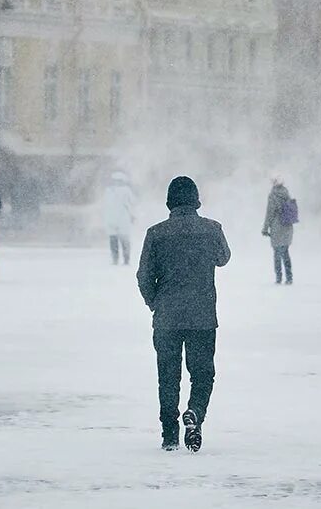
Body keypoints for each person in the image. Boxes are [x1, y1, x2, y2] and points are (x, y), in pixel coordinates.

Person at [137, 176, 231, 452]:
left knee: (168, 376)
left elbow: (144, 275)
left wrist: (154, 301)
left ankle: (169, 434)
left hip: (166, 316)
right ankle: (195, 413)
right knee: (202, 374)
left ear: (169, 202)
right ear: (196, 200)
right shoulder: (212, 229)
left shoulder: (156, 233)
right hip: (202, 316)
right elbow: (223, 258)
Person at [262, 175, 296, 285]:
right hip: (287, 226)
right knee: (285, 252)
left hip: (277, 227)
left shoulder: (273, 195)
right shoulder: (286, 193)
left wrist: (265, 228)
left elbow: (270, 213)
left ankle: (279, 277)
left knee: (277, 253)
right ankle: (289, 277)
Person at [102, 171, 136, 265]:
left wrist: (132, 215)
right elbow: (106, 206)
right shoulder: (109, 191)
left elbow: (131, 204)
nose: (117, 183)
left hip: (121, 219)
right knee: (115, 241)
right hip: (113, 219)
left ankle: (125, 259)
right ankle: (116, 259)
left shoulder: (125, 191)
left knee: (123, 240)